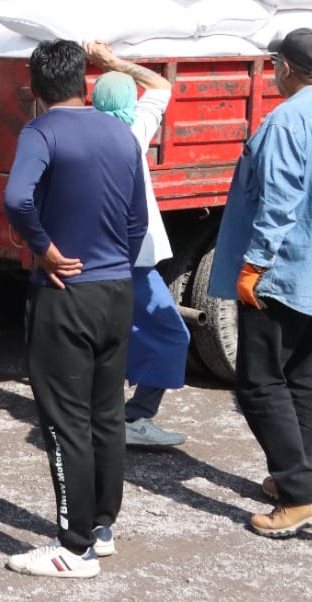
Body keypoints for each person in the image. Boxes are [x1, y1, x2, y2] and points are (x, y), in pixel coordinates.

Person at [207, 28, 312, 538]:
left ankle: (301, 494)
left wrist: (253, 265)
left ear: (286, 69)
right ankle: (296, 472)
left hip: (284, 273)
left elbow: (279, 202)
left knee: (258, 383)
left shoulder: (284, 121)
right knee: (303, 381)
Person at [2, 39, 147, 579]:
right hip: (115, 290)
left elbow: (17, 199)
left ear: (35, 90)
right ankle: (102, 527)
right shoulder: (119, 132)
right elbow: (136, 221)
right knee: (107, 415)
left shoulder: (41, 131)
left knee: (65, 423)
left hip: (65, 293)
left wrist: (45, 249)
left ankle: (75, 546)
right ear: (84, 83)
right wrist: (115, 266)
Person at [84, 40, 191, 448]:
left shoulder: (83, 137)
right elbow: (161, 86)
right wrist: (113, 62)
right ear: (129, 102)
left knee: (108, 337)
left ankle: (102, 412)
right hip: (133, 259)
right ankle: (135, 417)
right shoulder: (132, 133)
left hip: (94, 260)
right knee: (170, 334)